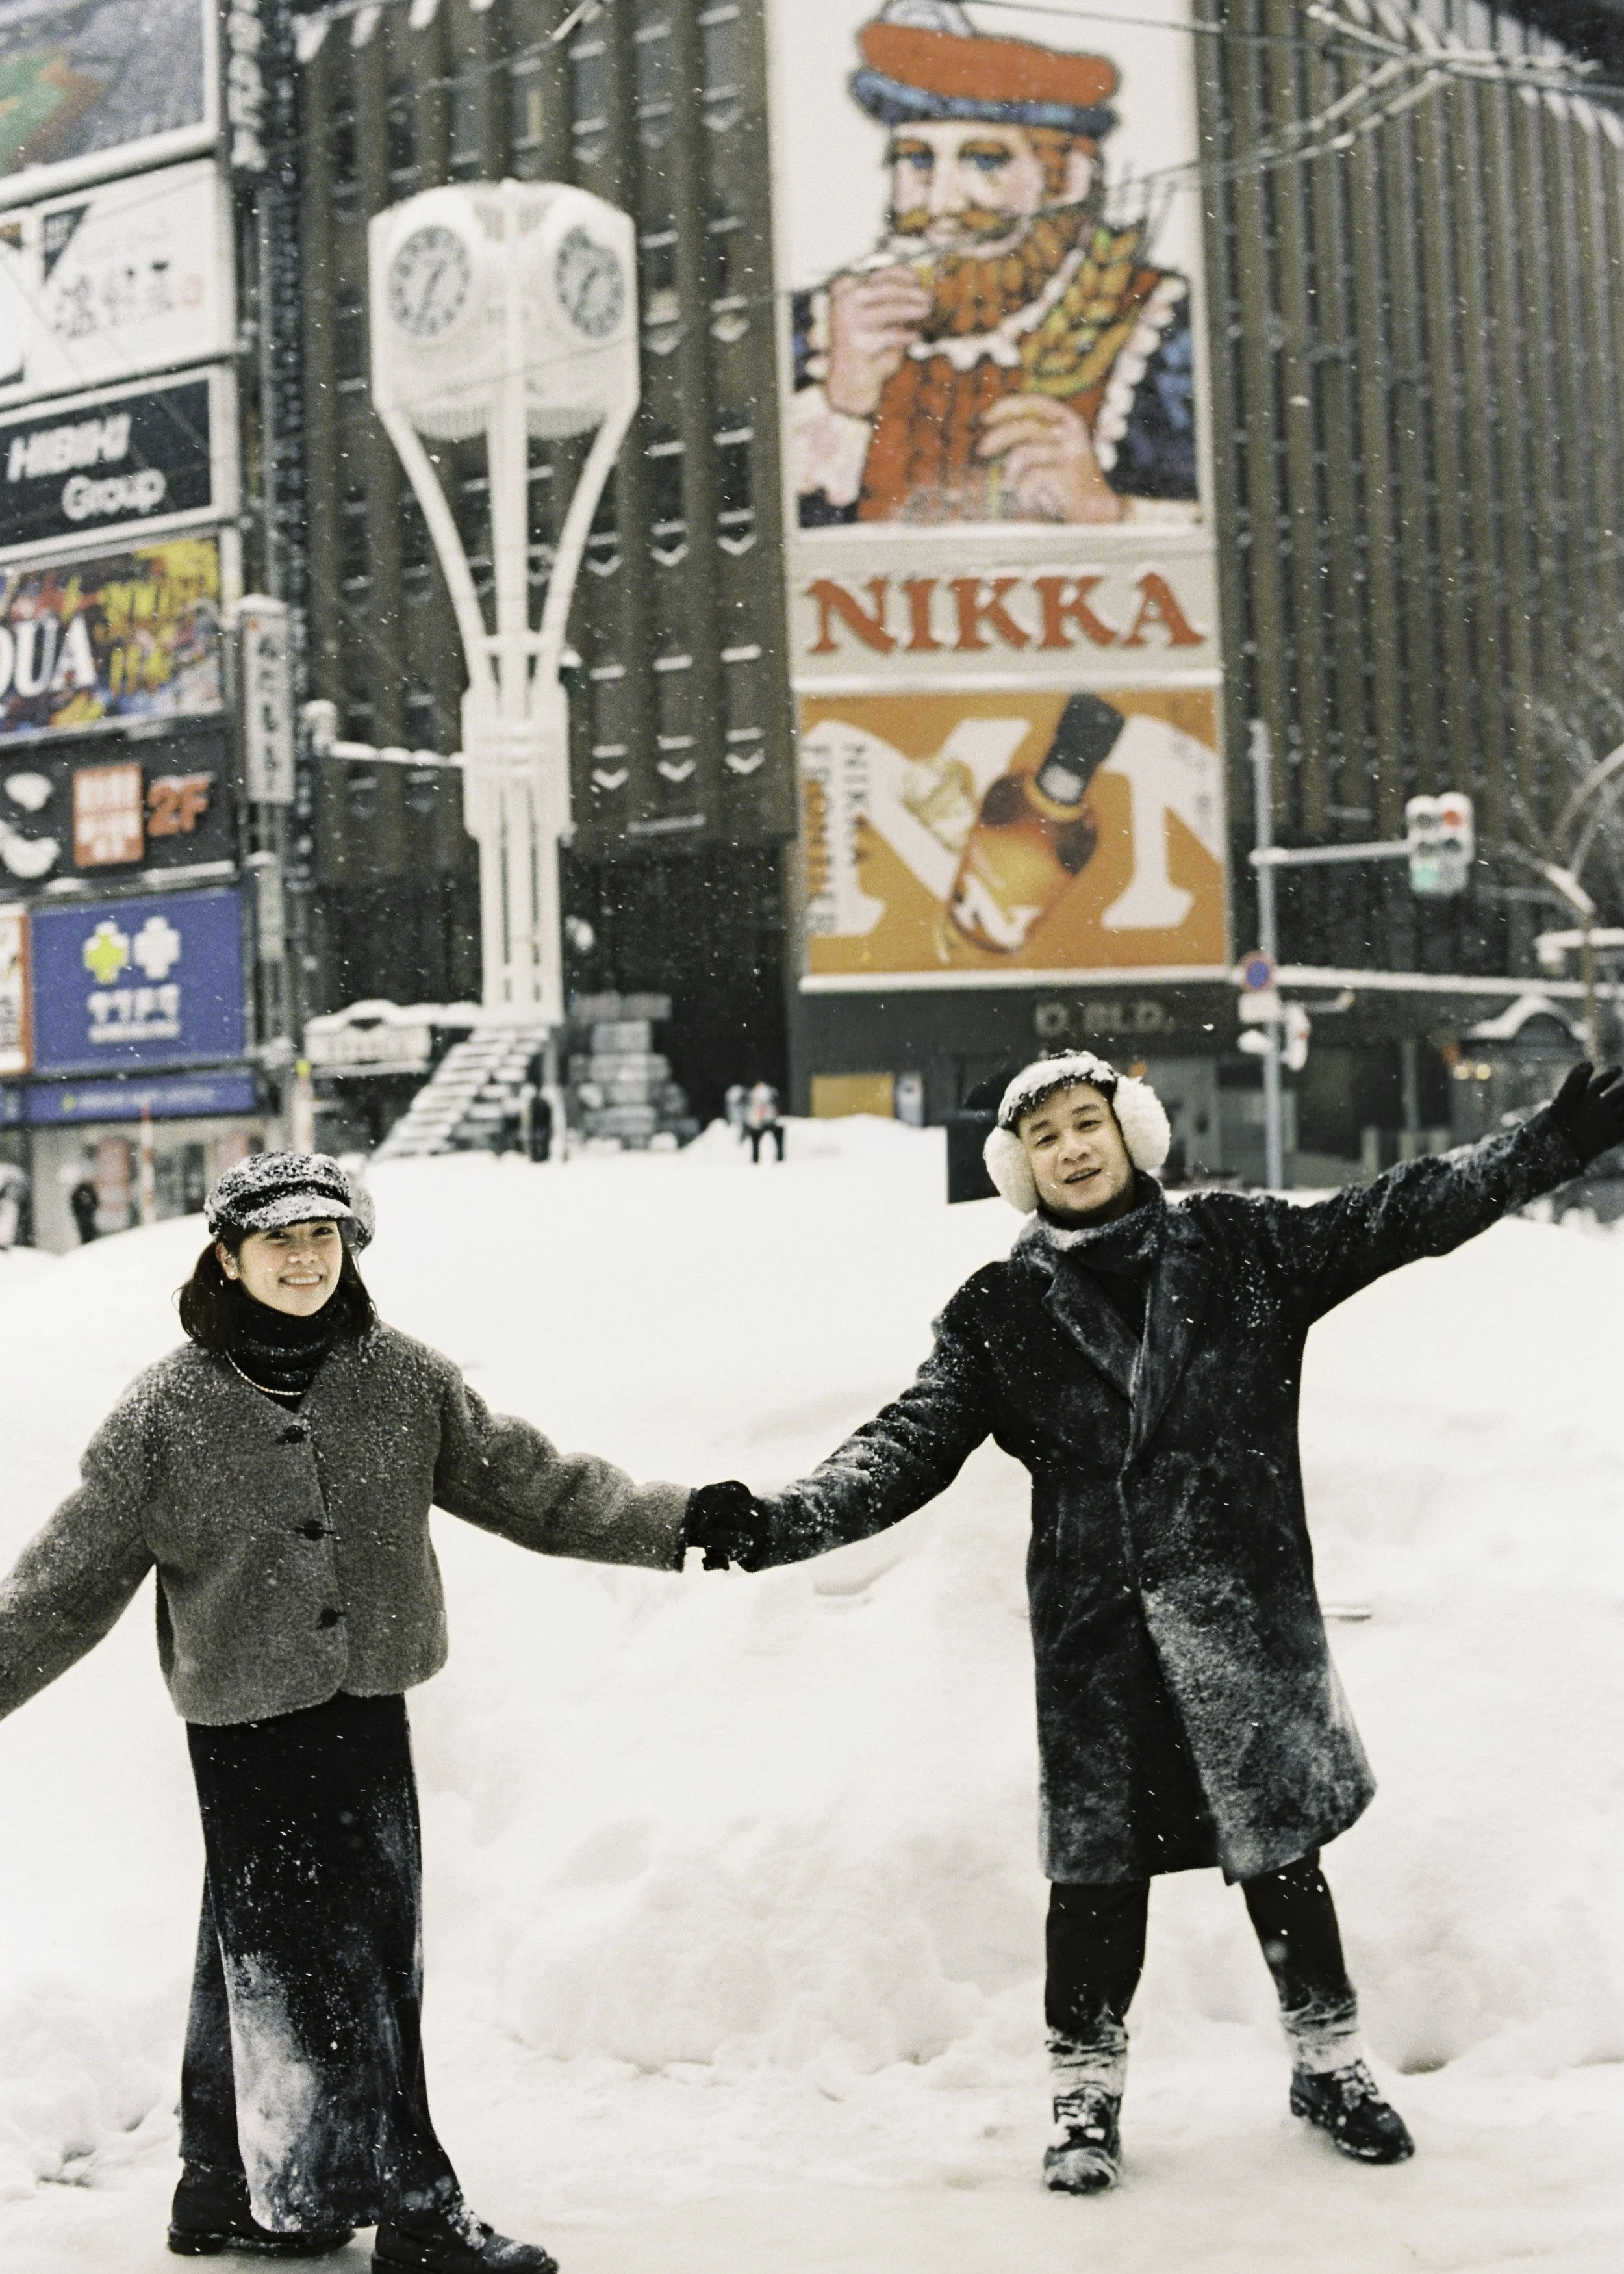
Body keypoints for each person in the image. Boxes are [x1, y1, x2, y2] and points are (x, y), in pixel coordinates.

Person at [686, 1051, 1624, 2194]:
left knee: (1284, 1860)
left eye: (1090, 1123)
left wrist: (1550, 1144)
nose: (1073, 1148)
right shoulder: (1000, 1312)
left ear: (1134, 1134)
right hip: (1100, 1644)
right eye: (1045, 1138)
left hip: (1243, 1622)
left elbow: (1398, 1214)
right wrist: (783, 1521)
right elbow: (904, 1444)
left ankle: (1329, 2066)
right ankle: (1082, 2099)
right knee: (1096, 1883)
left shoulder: (1241, 1250)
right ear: (1020, 1169)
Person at [0, 1152, 692, 2271]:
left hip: (367, 1705)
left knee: (278, 1953)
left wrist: (677, 1523)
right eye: (278, 1240)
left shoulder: (402, 1378)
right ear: (227, 1256)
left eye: (324, 1237)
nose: (305, 1257)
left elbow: (537, 1485)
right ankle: (415, 2218)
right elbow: (61, 1586)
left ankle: (229, 2191)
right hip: (244, 1728)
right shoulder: (164, 1416)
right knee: (333, 1966)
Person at [792, 1, 1197, 528]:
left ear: (1068, 178)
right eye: (916, 159)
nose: (942, 205)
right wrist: (841, 405)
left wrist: (1107, 510)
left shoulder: (1163, 330)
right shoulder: (821, 330)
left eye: (984, 160)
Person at [744, 1080, 785, 1165]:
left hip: (760, 1122)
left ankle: (756, 1158)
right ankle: (779, 1156)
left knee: (756, 1141)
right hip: (764, 1122)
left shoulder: (756, 1096)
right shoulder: (768, 1096)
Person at [70, 1173, 99, 1243]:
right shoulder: (85, 1191)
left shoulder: (83, 1191)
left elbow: (96, 1202)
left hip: (86, 1216)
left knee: (87, 1233)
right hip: (85, 1217)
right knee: (87, 1233)